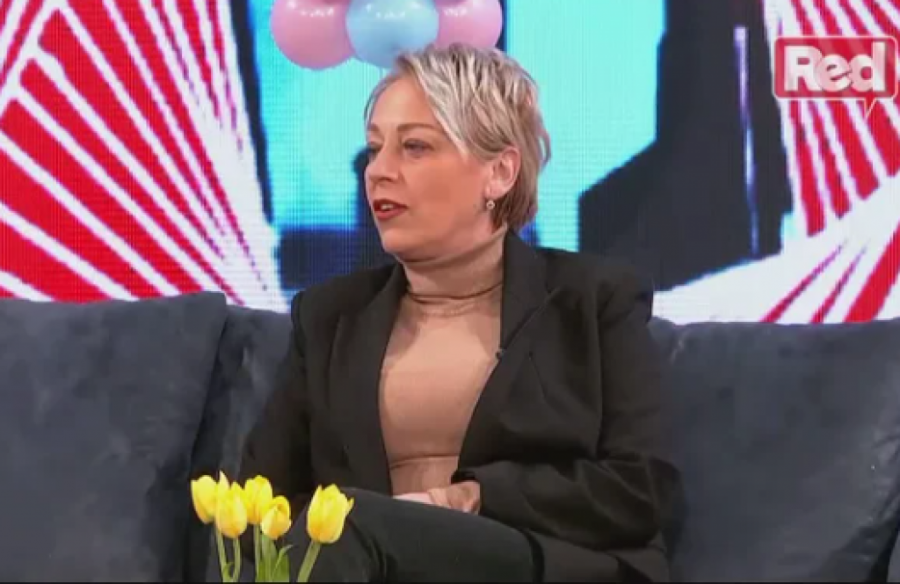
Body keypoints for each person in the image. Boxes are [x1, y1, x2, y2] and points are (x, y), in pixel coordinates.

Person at [238, 43, 680, 583]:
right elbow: (260, 500)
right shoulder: (329, 316)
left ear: (500, 172)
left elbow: (642, 488)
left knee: (351, 524)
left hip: (538, 563)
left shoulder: (590, 300)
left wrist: (469, 497)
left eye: (415, 147)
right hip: (373, 570)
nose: (378, 171)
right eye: (374, 148)